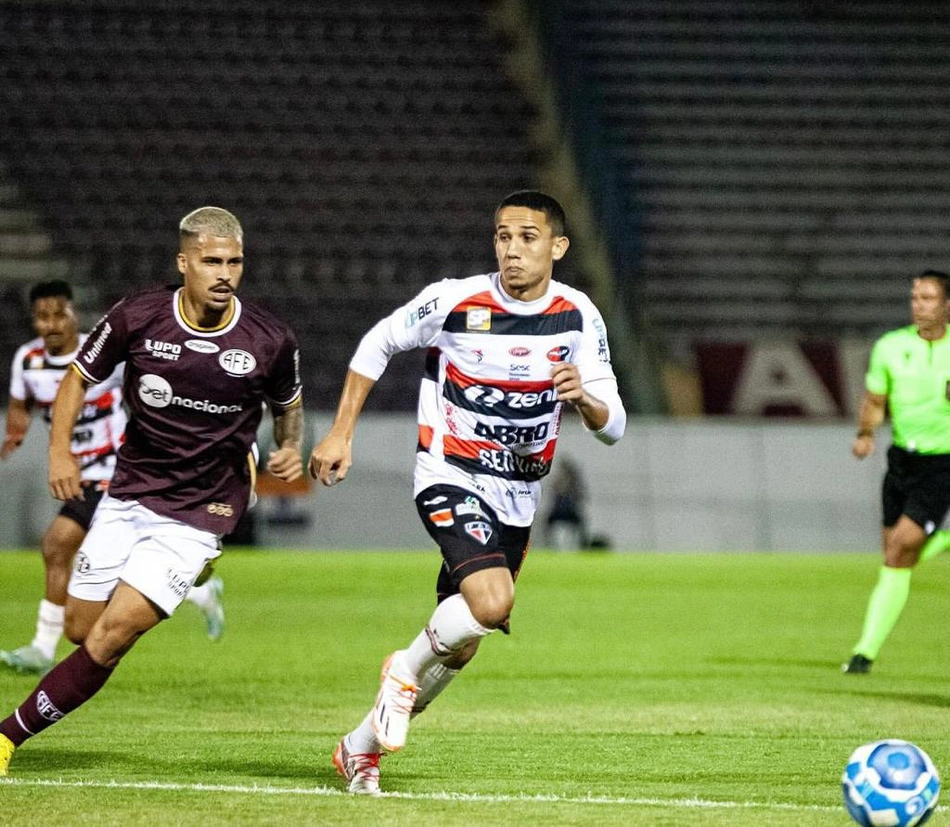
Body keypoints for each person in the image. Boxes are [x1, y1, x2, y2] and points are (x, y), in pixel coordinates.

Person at [309, 190, 627, 794]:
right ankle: (398, 673)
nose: (512, 249)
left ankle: (357, 749)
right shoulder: (454, 298)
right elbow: (378, 341)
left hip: (517, 497)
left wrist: (583, 396)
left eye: (527, 238)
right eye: (503, 236)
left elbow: (614, 426)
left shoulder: (580, 315)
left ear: (557, 247)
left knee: (458, 648)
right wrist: (342, 432)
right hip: (449, 471)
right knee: (490, 604)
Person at [0, 207, 304, 774]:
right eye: (211, 261)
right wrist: (59, 450)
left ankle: (6, 737)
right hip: (130, 492)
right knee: (81, 629)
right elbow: (77, 379)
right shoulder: (137, 316)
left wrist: (289, 447)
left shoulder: (269, 339)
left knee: (113, 635)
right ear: (183, 262)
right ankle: (201, 585)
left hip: (202, 509)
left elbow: (288, 405)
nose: (225, 274)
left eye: (234, 261)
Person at [1, 281, 227, 676]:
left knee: (57, 545)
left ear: (74, 313)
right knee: (111, 565)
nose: (51, 323)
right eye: (42, 316)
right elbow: (20, 407)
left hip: (120, 474)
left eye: (59, 313)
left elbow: (153, 386)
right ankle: (198, 590)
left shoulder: (104, 349)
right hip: (80, 477)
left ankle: (42, 647)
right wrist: (15, 433)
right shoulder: (27, 360)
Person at [843, 270, 950, 674]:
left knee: (898, 550)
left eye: (927, 297)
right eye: (914, 297)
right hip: (902, 461)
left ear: (946, 305)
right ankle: (940, 541)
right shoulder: (891, 346)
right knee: (894, 555)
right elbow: (875, 397)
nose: (918, 304)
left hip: (943, 463)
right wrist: (866, 433)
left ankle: (863, 653)